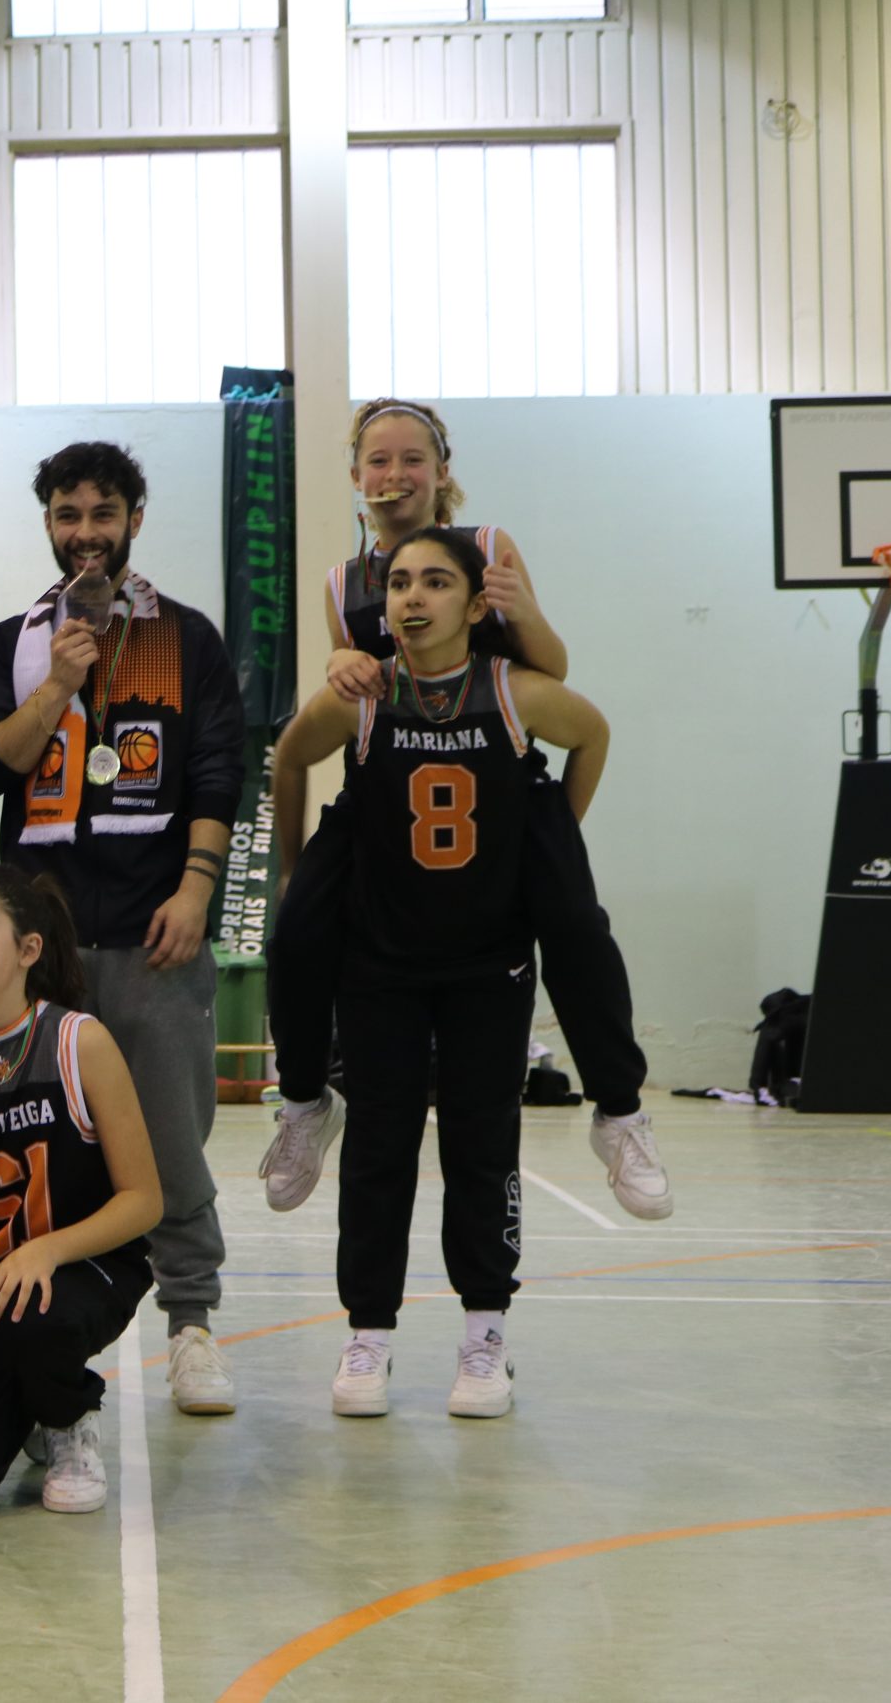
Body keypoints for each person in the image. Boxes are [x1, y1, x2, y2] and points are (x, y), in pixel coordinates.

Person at [261, 398, 670, 1221]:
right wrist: (341, 661)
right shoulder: (345, 584)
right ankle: (306, 1101)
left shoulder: (486, 549)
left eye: (414, 458)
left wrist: (553, 834)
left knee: (579, 926)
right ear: (354, 477)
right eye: (378, 460)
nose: (396, 474)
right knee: (297, 927)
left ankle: (620, 1111)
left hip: (500, 786)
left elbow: (552, 666)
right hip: (389, 793)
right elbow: (331, 717)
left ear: (443, 472)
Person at [272, 526, 611, 1419]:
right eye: (399, 584)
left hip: (486, 962)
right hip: (383, 961)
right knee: (379, 1147)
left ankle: (485, 1336)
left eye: (435, 582)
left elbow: (595, 733)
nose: (412, 597)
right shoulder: (362, 695)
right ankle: (368, 1336)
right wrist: (288, 865)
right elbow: (287, 756)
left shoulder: (514, 691)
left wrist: (550, 840)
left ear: (473, 601)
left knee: (481, 1146)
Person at [0, 441, 245, 1416]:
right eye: (67, 515)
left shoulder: (187, 637)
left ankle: (192, 1323)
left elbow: (216, 775)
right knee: (48, 1150)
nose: (85, 533)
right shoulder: (16, 640)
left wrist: (197, 891)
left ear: (133, 521)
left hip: (154, 934)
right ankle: (53, 1342)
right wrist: (56, 686)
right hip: (43, 954)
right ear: (46, 523)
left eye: (102, 514)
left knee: (167, 1146)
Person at [0, 866, 163, 1517]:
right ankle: (27, 1393)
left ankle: (67, 1412)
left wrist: (46, 1250)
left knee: (38, 1316)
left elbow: (144, 1201)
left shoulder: (79, 1041)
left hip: (85, 1263)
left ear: (29, 948)